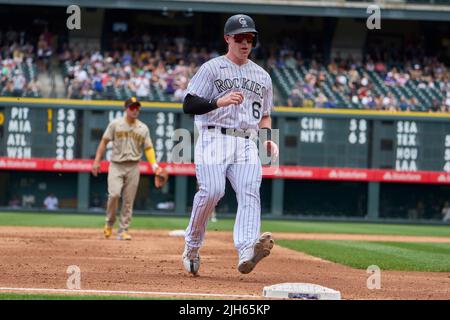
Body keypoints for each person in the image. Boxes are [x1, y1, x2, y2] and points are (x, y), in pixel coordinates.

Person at [182, 14, 278, 276]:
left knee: (250, 192)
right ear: (227, 39)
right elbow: (188, 105)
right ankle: (191, 246)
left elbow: (265, 114)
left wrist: (267, 138)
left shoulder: (262, 76)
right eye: (239, 38)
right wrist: (218, 102)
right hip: (214, 136)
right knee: (212, 191)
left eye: (250, 38)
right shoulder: (211, 68)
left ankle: (248, 249)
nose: (245, 43)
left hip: (247, 141)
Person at [91, 97, 169, 240]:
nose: (135, 110)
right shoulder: (115, 124)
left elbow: (149, 148)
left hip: (133, 166)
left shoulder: (143, 128)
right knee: (114, 194)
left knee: (128, 200)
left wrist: (154, 166)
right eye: (132, 108)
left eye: (137, 108)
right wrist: (97, 161)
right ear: (126, 109)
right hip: (116, 164)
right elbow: (104, 142)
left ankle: (123, 230)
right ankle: (109, 223)